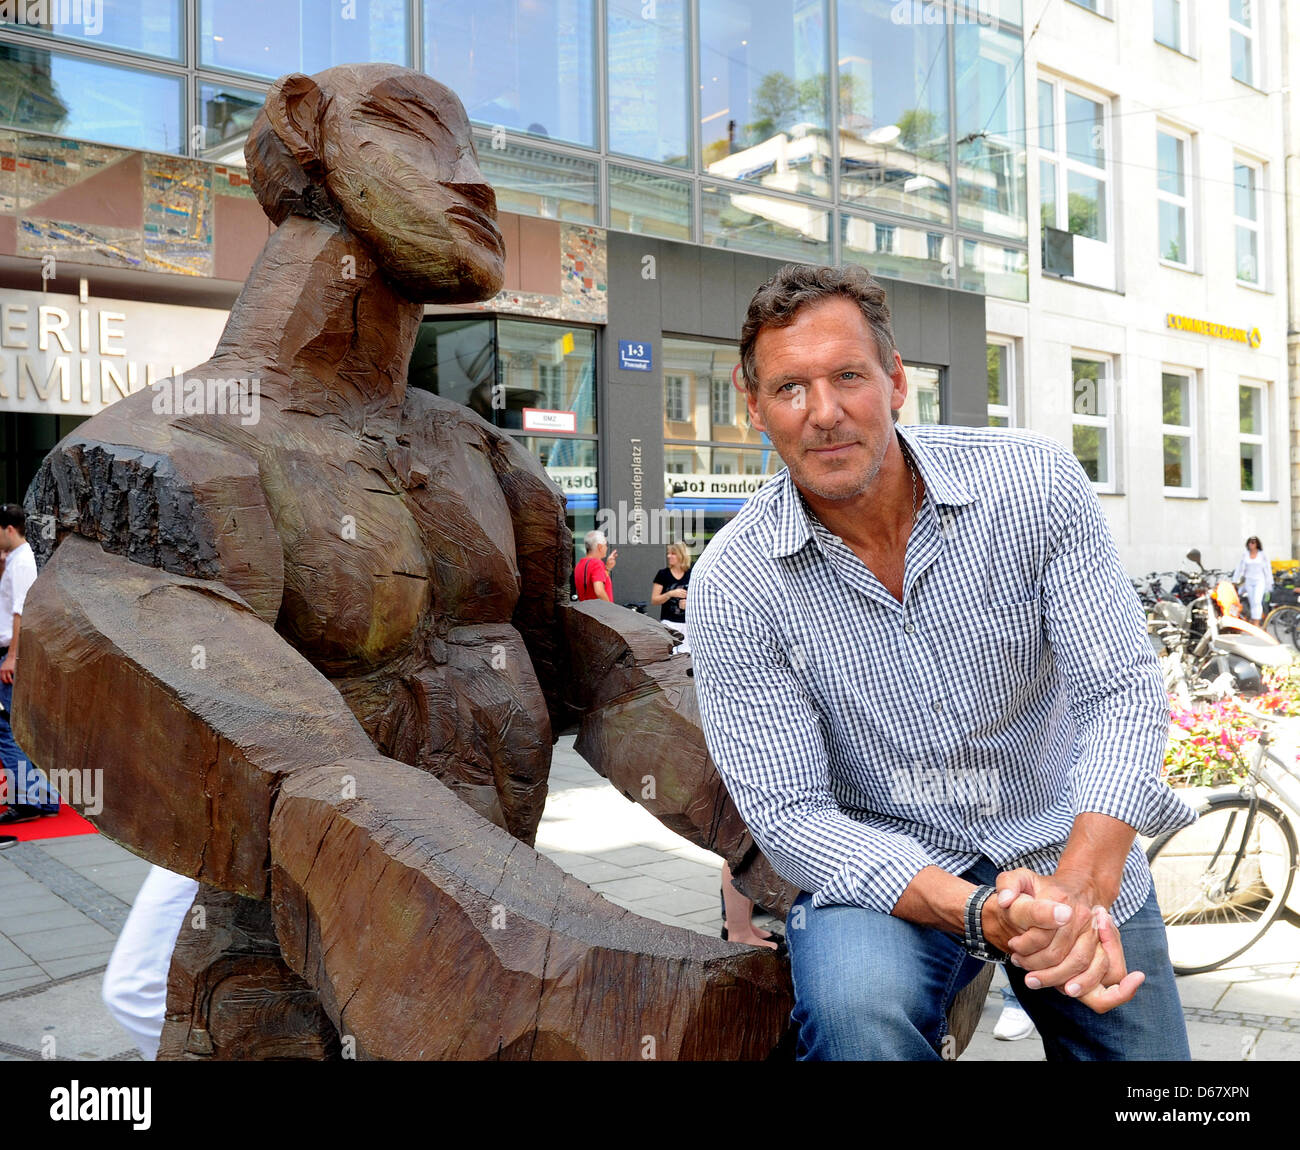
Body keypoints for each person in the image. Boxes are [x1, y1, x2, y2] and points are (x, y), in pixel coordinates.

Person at [686, 263, 1197, 1061]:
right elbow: (792, 814)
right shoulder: (735, 581)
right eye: (790, 389)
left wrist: (1082, 885)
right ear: (755, 408)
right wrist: (973, 909)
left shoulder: (1030, 484)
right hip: (885, 866)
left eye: (848, 375)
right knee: (858, 1017)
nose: (823, 413)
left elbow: (1120, 690)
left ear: (896, 381)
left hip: (1066, 835)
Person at [0, 505, 57, 825]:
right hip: (14, 651)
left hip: (12, 652)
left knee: (9, 729)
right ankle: (44, 799)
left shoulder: (21, 562)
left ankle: (26, 799)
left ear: (9, 529)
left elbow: (21, 612)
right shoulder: (16, 561)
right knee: (24, 730)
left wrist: (12, 657)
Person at [650, 541, 691, 638]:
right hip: (669, 622)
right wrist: (670, 594)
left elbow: (699, 599)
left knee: (687, 652)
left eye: (673, 553)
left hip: (688, 623)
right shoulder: (663, 574)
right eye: (668, 553)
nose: (669, 556)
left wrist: (689, 604)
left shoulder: (691, 574)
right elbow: (654, 600)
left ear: (681, 555)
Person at [1232, 536, 1273, 626]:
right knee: (1252, 601)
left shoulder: (1262, 555)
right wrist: (1235, 580)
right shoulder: (1245, 554)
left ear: (1257, 544)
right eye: (1250, 542)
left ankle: (1256, 622)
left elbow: (1267, 569)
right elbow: (1239, 568)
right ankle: (1254, 619)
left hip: (1259, 580)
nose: (1251, 544)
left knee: (1257, 601)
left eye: (1253, 542)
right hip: (1249, 581)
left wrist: (1269, 582)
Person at [574, 529, 617, 602]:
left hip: (585, 610)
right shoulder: (597, 563)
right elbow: (599, 591)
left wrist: (607, 568)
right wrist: (610, 608)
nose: (606, 548)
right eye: (606, 545)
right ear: (600, 547)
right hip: (600, 611)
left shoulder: (579, 565)